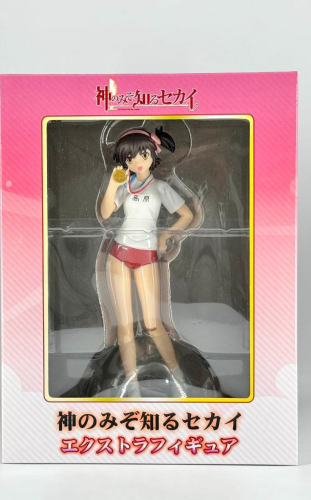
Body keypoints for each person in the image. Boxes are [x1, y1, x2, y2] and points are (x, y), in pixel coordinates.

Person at [100, 127, 193, 397]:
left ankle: (178, 376)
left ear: (153, 154)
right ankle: (132, 387)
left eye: (143, 154)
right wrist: (112, 185)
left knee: (153, 324)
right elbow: (105, 213)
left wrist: (166, 234)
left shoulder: (161, 187)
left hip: (147, 255)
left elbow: (187, 215)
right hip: (119, 253)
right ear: (124, 161)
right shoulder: (125, 187)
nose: (137, 161)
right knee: (125, 327)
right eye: (130, 157)